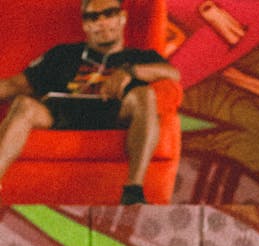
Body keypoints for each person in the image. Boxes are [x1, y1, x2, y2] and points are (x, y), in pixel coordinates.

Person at [0, 0, 181, 205]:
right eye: (93, 17)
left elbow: (173, 73)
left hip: (112, 110)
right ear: (86, 25)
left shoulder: (140, 56)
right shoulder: (63, 54)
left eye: (109, 13)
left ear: (122, 17)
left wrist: (131, 71)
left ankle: (133, 191)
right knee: (23, 104)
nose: (102, 22)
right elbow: (16, 84)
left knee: (145, 95)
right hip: (61, 111)